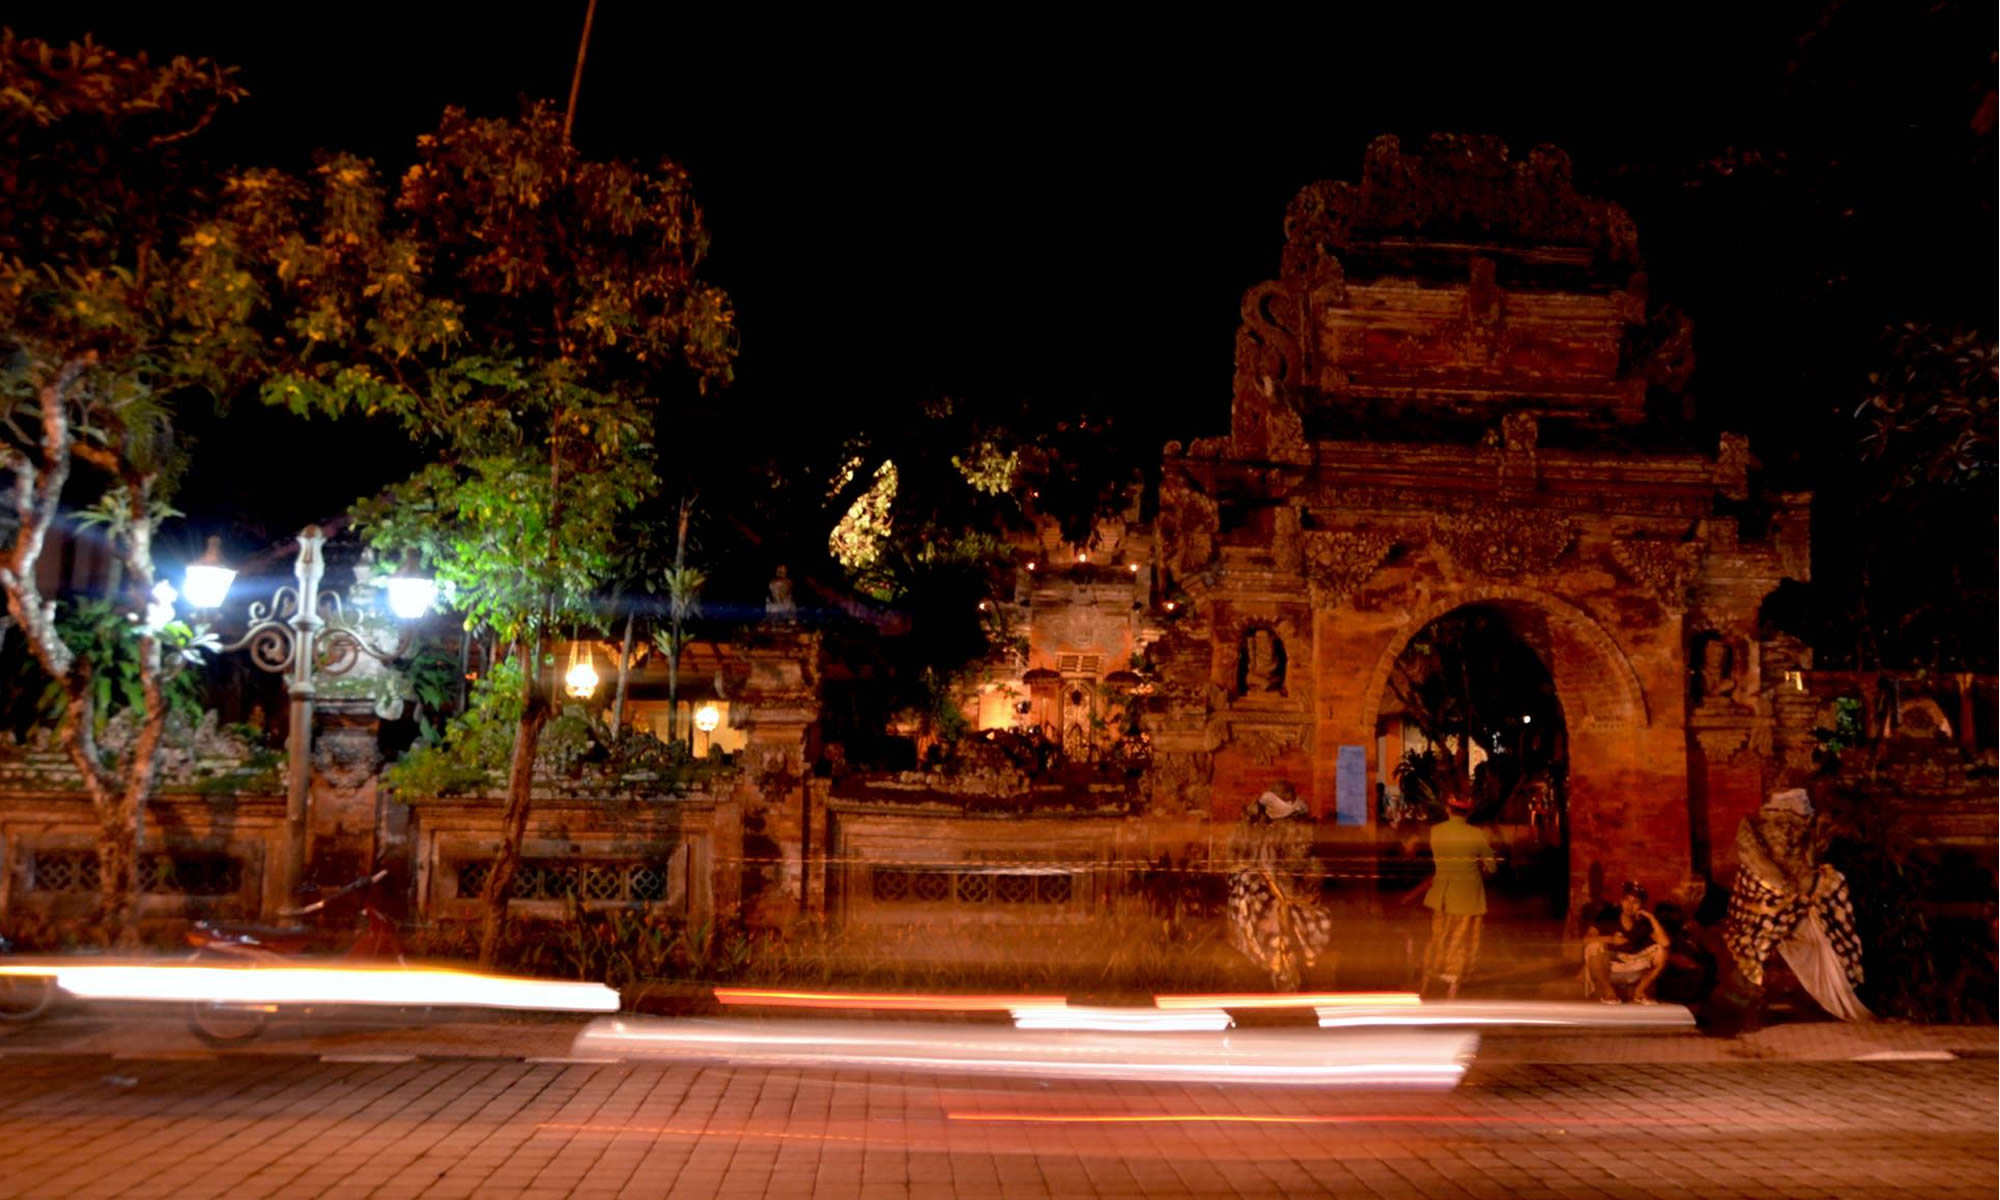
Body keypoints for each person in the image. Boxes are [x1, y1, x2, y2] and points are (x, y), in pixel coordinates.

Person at [1722, 786, 1871, 1022]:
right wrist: (1786, 886)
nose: (1787, 835)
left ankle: (1831, 991)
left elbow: (1807, 860)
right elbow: (1766, 864)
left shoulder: (1799, 832)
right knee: (1757, 946)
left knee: (1831, 894)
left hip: (1790, 894)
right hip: (1767, 896)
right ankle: (1750, 997)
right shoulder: (1759, 842)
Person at [1420, 787, 1497, 999]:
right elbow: (1492, 867)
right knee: (1461, 942)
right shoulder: (1477, 835)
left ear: (1448, 809)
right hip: (1468, 898)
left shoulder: (1436, 832)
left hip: (1441, 895)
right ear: (1468, 812)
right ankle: (1452, 987)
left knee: (1438, 938)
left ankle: (1427, 981)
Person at [1582, 881, 1669, 1004]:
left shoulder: (1643, 922)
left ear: (1641, 905)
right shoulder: (1609, 915)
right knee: (1593, 947)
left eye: (1635, 902)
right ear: (1621, 901)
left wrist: (1650, 917)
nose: (1630, 905)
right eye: (1627, 900)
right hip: (1610, 966)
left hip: (1633, 966)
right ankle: (1609, 992)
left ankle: (1639, 992)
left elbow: (1665, 943)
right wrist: (1611, 939)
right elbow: (1586, 939)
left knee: (1662, 952)